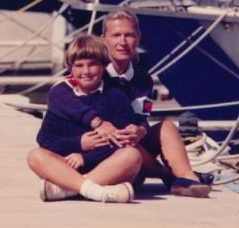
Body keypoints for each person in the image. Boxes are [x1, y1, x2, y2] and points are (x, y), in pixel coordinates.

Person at [43, 10, 212, 198]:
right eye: (116, 35)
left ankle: (186, 178)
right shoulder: (92, 70)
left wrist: (141, 130)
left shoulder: (142, 79)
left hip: (127, 143)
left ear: (138, 39)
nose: (122, 42)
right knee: (126, 147)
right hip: (98, 148)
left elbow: (142, 117)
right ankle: (167, 176)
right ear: (104, 39)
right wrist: (97, 122)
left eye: (129, 35)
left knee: (167, 127)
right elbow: (58, 95)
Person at [27, 34, 142, 203]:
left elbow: (122, 142)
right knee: (35, 156)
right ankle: (97, 191)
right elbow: (45, 140)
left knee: (132, 155)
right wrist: (78, 144)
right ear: (71, 69)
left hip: (105, 166)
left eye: (92, 64)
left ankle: (67, 189)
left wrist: (85, 158)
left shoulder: (116, 97)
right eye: (79, 66)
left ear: (103, 66)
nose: (86, 71)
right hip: (67, 165)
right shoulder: (62, 100)